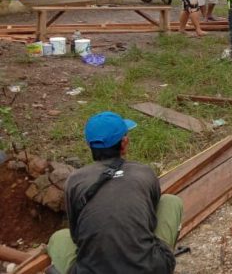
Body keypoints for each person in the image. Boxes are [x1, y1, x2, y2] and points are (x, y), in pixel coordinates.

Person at [47, 112, 183, 274]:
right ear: (124, 143)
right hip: (150, 269)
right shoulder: (145, 173)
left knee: (60, 238)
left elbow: (77, 236)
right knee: (170, 202)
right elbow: (150, 223)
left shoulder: (74, 180)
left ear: (89, 144)